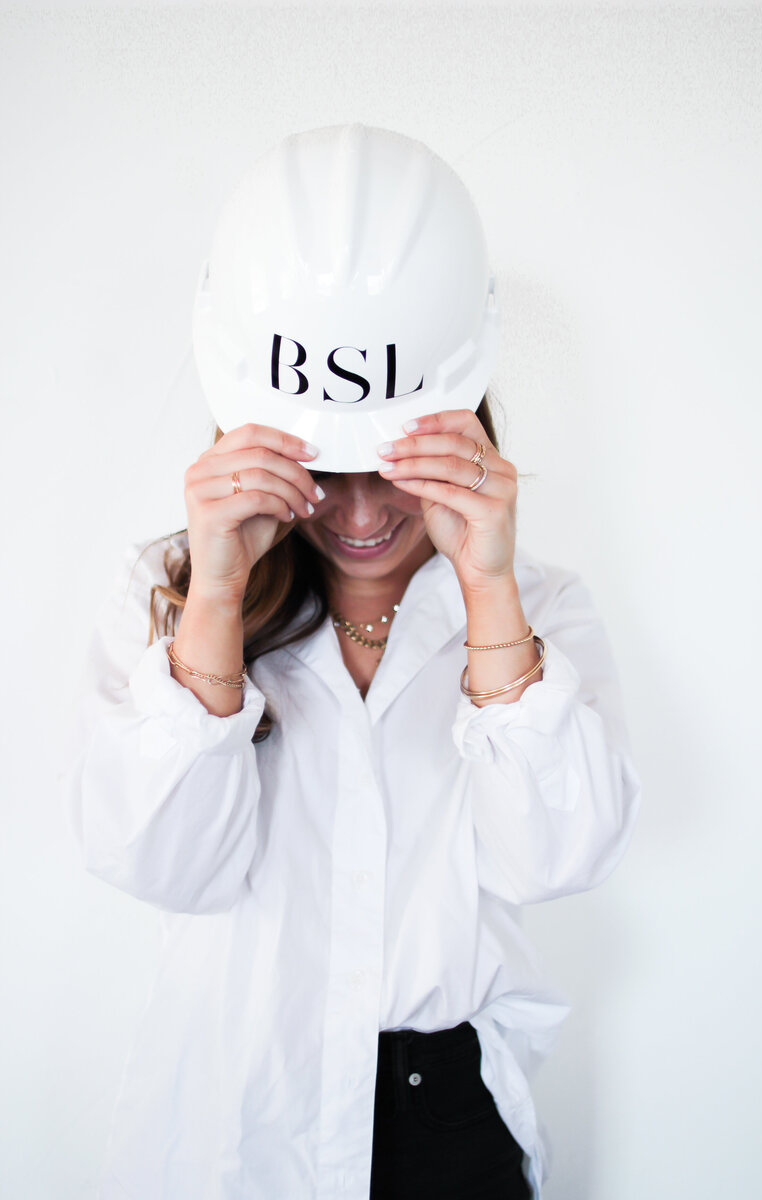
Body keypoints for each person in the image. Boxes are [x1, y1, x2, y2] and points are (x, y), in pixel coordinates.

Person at [63, 125, 642, 1200]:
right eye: (327, 469)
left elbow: (555, 859)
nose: (365, 512)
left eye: (393, 466)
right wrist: (223, 593)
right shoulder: (170, 590)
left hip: (447, 1123)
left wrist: (486, 593)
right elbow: (160, 867)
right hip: (240, 1115)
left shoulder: (538, 606)